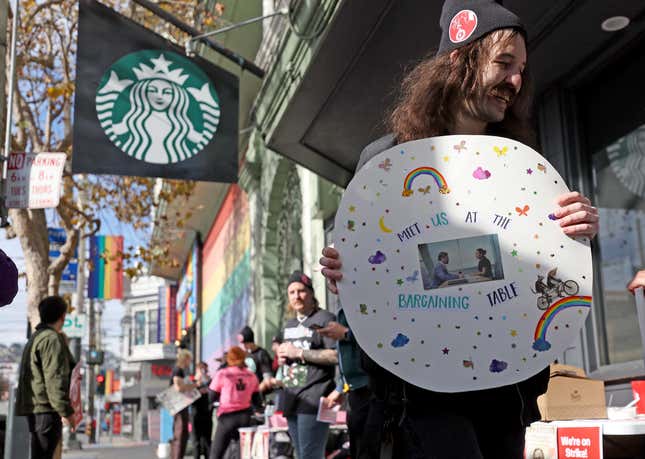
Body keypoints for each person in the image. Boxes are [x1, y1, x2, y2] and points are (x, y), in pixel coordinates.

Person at [319, 0, 599, 456]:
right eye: (504, 63)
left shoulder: (519, 166)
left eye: (521, 69)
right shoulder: (386, 162)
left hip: (506, 388)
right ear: (458, 61)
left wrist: (575, 227)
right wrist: (342, 270)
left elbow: (537, 262)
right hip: (419, 392)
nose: (515, 81)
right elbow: (369, 277)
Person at [276, 271, 337, 459]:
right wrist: (282, 358)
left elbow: (335, 355)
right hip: (291, 397)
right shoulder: (289, 325)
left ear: (311, 293)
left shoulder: (325, 319)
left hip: (315, 398)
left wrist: (300, 353)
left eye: (301, 291)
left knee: (311, 455)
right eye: (292, 292)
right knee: (301, 454)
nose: (297, 296)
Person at [16, 296, 74, 459]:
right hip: (45, 409)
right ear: (62, 316)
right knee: (43, 454)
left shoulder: (37, 336)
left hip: (35, 407)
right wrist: (67, 412)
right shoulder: (51, 339)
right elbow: (54, 379)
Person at [319, 309, 371, 459]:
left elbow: (382, 340)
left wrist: (347, 334)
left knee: (369, 446)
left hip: (372, 388)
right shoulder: (344, 308)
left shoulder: (368, 299)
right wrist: (341, 387)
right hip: (354, 390)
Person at [208, 346, 260, 459]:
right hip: (245, 417)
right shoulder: (251, 375)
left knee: (216, 453)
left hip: (227, 417)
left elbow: (211, 395)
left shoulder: (223, 374)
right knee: (242, 454)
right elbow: (257, 399)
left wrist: (213, 403)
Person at [170, 349, 197, 459]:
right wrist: (193, 386)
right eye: (189, 360)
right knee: (180, 432)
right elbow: (178, 388)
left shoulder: (180, 371)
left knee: (182, 432)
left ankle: (178, 455)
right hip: (179, 405)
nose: (189, 362)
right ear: (184, 359)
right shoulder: (178, 370)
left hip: (181, 405)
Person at [191, 361, 212, 459]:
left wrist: (207, 385)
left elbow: (214, 393)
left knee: (207, 440)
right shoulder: (192, 382)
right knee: (196, 440)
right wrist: (197, 385)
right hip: (196, 414)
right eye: (201, 369)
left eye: (205, 369)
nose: (203, 372)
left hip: (207, 413)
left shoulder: (210, 381)